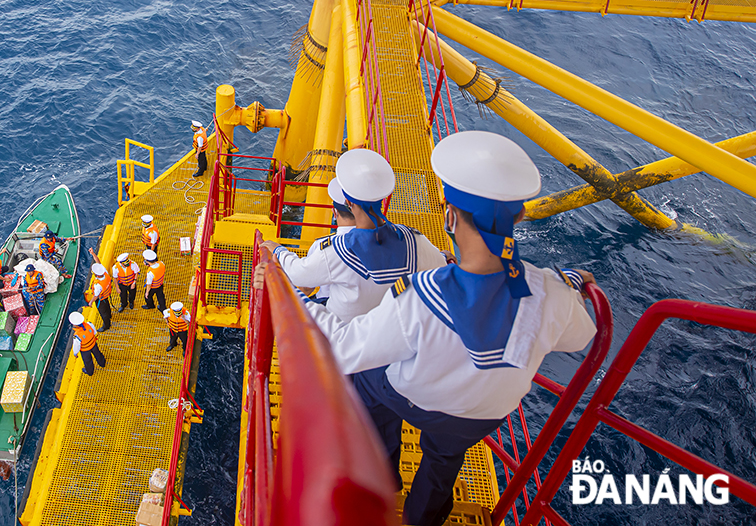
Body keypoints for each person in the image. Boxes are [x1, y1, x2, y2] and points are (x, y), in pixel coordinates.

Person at [256, 131, 597, 526]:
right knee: (443, 460)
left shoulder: (418, 300)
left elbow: (345, 346)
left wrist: (297, 299)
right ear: (518, 216)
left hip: (416, 400)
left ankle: (383, 475)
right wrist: (567, 282)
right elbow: (581, 335)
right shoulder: (550, 295)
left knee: (366, 378)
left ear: (450, 215)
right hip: (481, 417)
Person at [261, 149, 447, 322]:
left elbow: (298, 275)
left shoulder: (336, 251)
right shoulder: (414, 240)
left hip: (342, 335)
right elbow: (441, 265)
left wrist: (278, 250)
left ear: (348, 202)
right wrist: (445, 256)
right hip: (391, 327)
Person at [300, 177, 356, 304]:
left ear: (334, 213)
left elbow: (307, 287)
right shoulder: (379, 242)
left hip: (327, 309)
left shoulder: (322, 246)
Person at [69, 310, 106, 376]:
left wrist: (75, 353)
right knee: (98, 354)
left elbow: (76, 346)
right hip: (93, 345)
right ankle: (102, 363)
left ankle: (90, 372)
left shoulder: (77, 335)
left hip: (85, 351)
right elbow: (94, 332)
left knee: (88, 362)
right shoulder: (89, 324)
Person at [83, 262, 113, 331]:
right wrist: (93, 254)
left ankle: (106, 325)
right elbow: (99, 263)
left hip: (101, 299)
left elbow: (96, 296)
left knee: (103, 313)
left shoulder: (98, 285)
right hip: (106, 296)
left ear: (97, 275)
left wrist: (91, 302)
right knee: (107, 306)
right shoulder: (105, 273)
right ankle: (110, 315)